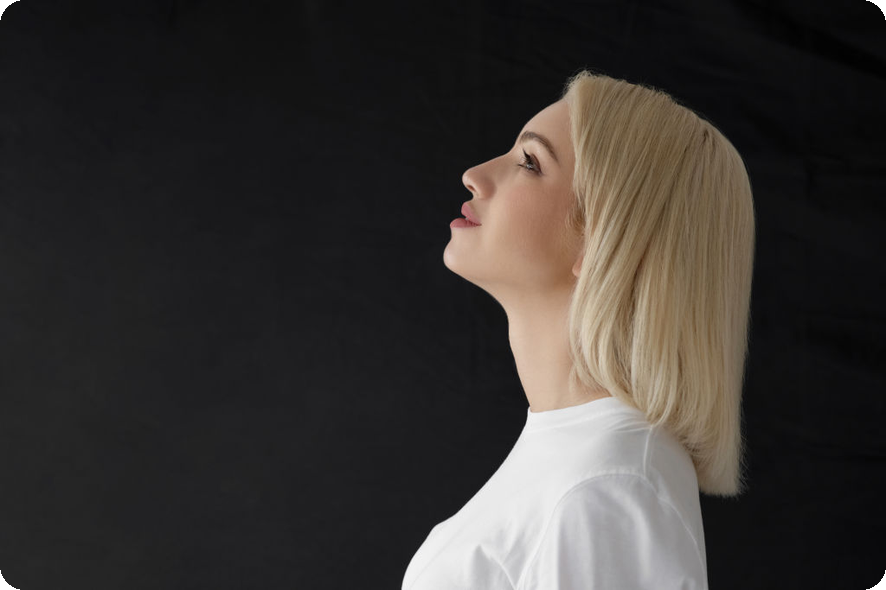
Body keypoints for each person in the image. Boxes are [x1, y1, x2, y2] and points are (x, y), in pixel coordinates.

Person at [402, 68, 756, 590]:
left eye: (529, 162)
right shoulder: (584, 461)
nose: (474, 175)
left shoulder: (608, 489)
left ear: (605, 240)